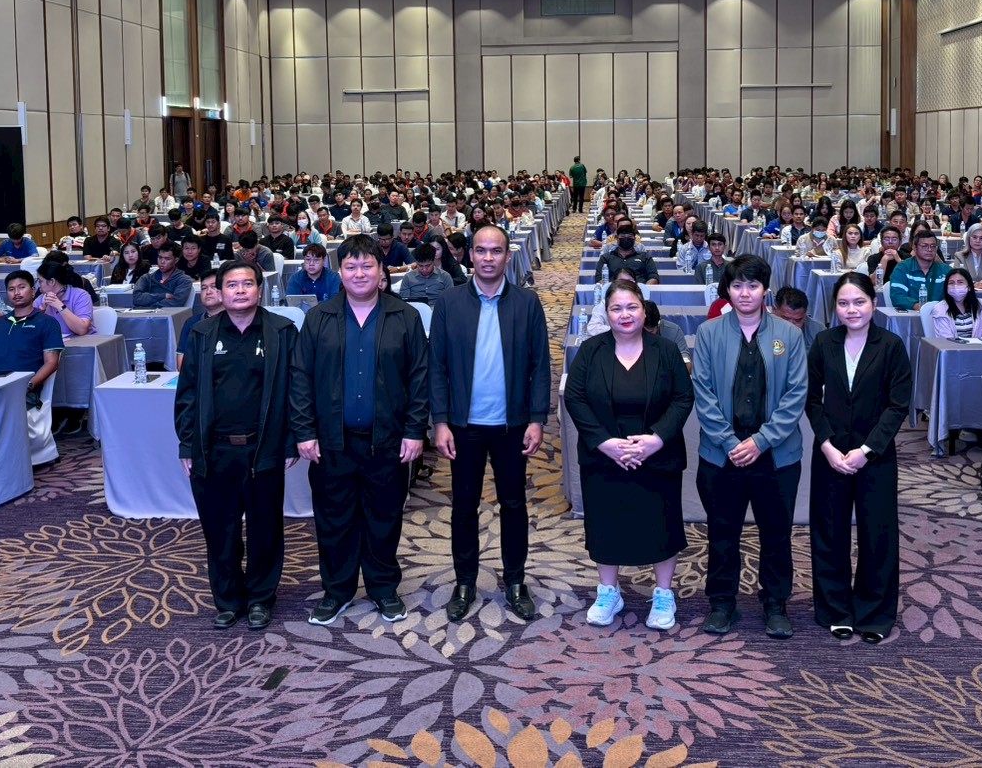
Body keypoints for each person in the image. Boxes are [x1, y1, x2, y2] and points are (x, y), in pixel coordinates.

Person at [290, 234, 430, 626]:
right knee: (334, 521)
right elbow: (300, 378)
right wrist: (304, 431)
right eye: (351, 266)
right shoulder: (319, 318)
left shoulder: (405, 317)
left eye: (367, 265)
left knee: (384, 518)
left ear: (382, 271)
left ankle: (384, 589)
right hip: (332, 442)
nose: (359, 273)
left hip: (387, 441)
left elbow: (420, 378)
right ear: (340, 272)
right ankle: (337, 591)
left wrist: (415, 430)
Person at [429, 224, 551, 624]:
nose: (487, 257)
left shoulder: (527, 303)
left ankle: (515, 581)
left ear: (507, 256)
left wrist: (537, 419)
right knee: (464, 506)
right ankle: (464, 582)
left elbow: (540, 366)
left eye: (495, 251)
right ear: (469, 255)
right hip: (463, 426)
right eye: (480, 250)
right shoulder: (449, 303)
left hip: (512, 425)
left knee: (514, 504)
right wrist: (440, 421)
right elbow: (437, 367)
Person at [175, 260, 299, 630]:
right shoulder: (202, 333)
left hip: (264, 448)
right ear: (219, 291)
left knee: (265, 528)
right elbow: (187, 395)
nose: (240, 291)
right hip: (214, 450)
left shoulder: (282, 331)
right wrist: (187, 445)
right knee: (220, 529)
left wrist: (291, 441)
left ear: (260, 289)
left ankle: (261, 598)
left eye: (247, 284)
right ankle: (228, 599)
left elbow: (297, 391)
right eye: (231, 285)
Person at [564, 281, 693, 631]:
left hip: (657, 457)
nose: (625, 315)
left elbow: (683, 397)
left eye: (632, 307)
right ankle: (609, 591)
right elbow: (574, 398)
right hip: (605, 458)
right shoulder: (591, 350)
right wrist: (604, 442)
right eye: (617, 308)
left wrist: (657, 439)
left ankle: (663, 593)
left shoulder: (666, 350)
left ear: (643, 309)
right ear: (606, 313)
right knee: (606, 526)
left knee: (661, 525)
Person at [691, 254, 807, 639]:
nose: (745, 293)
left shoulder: (789, 335)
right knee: (722, 531)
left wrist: (760, 441)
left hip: (775, 454)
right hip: (722, 453)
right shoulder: (709, 333)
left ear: (765, 291)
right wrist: (730, 442)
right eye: (737, 285)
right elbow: (703, 393)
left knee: (776, 533)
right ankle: (722, 603)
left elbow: (796, 395)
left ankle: (775, 603)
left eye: (753, 285)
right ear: (727, 289)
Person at [806, 272, 912, 644]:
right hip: (831, 454)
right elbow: (811, 400)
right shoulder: (823, 342)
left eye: (859, 302)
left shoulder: (891, 345)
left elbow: (898, 406)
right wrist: (827, 445)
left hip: (875, 456)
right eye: (843, 303)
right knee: (829, 532)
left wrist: (867, 450)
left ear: (874, 304)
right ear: (834, 307)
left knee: (877, 534)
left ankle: (874, 613)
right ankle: (834, 609)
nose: (851, 310)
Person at [0, 270, 64, 459]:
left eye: (22, 287)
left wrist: (28, 385)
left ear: (33, 291)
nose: (16, 293)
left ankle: (3, 462)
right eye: (11, 289)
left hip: (24, 389)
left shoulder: (47, 323)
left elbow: (52, 363)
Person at [886, 229, 948, 311]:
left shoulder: (945, 270)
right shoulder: (902, 268)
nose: (929, 249)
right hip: (911, 315)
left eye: (933, 246)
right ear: (914, 248)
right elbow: (897, 296)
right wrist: (918, 306)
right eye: (924, 246)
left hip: (940, 315)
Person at [931, 268, 982, 340]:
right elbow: (946, 340)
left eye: (960, 282)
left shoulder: (981, 305)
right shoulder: (940, 309)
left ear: (969, 286)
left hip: (980, 346)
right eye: (951, 283)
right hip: (952, 347)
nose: (955, 286)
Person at [36, 258, 96, 337]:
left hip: (83, 342)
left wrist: (59, 306)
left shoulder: (80, 295)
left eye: (40, 281)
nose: (38, 285)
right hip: (55, 343)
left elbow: (82, 330)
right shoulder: (41, 299)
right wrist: (40, 313)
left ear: (52, 281)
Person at [177, 270, 225, 370]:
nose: (208, 292)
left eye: (214, 287)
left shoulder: (237, 321)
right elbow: (182, 363)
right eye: (204, 288)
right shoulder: (192, 323)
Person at [594, 220, 661, 285]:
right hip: (613, 290)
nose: (626, 239)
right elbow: (599, 278)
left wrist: (643, 289)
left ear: (634, 239)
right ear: (617, 239)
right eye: (623, 237)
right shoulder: (606, 257)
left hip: (639, 290)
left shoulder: (645, 257)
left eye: (629, 237)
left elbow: (654, 278)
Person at [132, 242, 193, 307]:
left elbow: (176, 302)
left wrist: (150, 307)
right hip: (144, 313)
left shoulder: (184, 280)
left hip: (168, 313)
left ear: (176, 260)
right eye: (160, 257)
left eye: (167, 259)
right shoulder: (146, 278)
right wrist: (163, 296)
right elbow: (136, 299)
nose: (162, 262)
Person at [771, 286, 827, 351]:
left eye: (797, 320)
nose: (791, 325)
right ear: (774, 310)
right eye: (785, 318)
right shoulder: (763, 329)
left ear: (805, 315)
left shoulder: (818, 331)